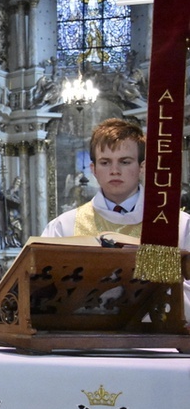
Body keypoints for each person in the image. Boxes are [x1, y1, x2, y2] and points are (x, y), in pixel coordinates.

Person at [41, 118, 190, 316]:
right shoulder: (63, 227)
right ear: (93, 170)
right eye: (105, 162)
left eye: (125, 161)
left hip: (157, 340)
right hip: (83, 340)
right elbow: (43, 289)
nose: (114, 170)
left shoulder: (178, 225)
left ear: (142, 167)